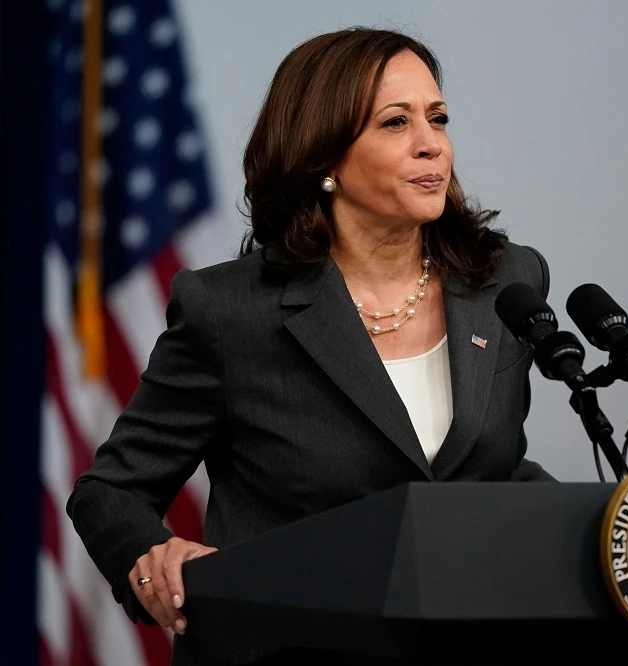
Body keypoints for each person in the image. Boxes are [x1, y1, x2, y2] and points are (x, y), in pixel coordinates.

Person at [66, 27, 555, 666]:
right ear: (324, 156)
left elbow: (491, 469)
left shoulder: (505, 282)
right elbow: (110, 490)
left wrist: (595, 528)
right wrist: (151, 557)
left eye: (437, 118)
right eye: (396, 122)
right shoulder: (231, 311)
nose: (431, 143)